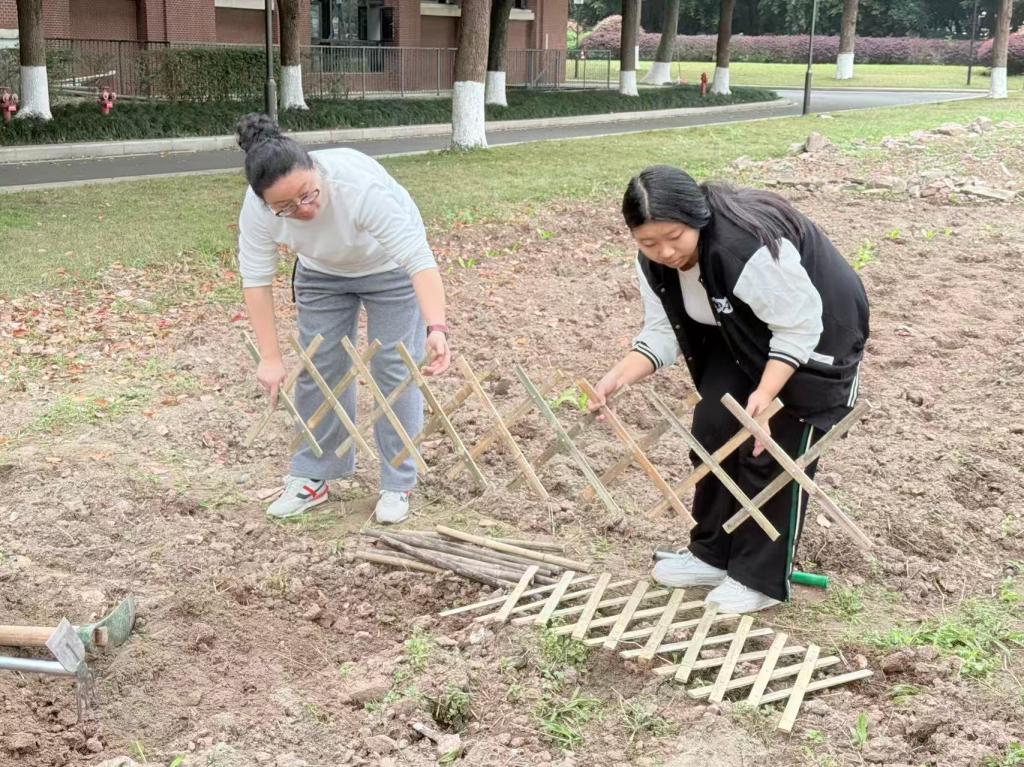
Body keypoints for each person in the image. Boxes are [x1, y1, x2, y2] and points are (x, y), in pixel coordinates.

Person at [591, 166, 869, 614]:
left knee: (770, 447)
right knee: (715, 429)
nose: (664, 252)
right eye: (648, 242)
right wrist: (619, 376)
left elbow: (799, 326)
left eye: (675, 237)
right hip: (739, 331)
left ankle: (759, 579)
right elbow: (663, 331)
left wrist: (765, 395)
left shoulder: (743, 249)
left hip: (815, 331)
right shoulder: (654, 264)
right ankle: (711, 555)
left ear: (697, 218)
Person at [235, 114, 451, 524]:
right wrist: (270, 357)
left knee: (394, 364)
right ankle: (313, 477)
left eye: (308, 194)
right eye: (286, 207)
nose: (303, 209)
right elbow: (256, 280)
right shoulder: (257, 211)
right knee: (320, 367)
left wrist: (436, 326)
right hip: (321, 273)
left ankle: (397, 483)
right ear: (266, 204)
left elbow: (418, 259)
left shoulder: (357, 188)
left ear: (316, 170)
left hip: (388, 267)